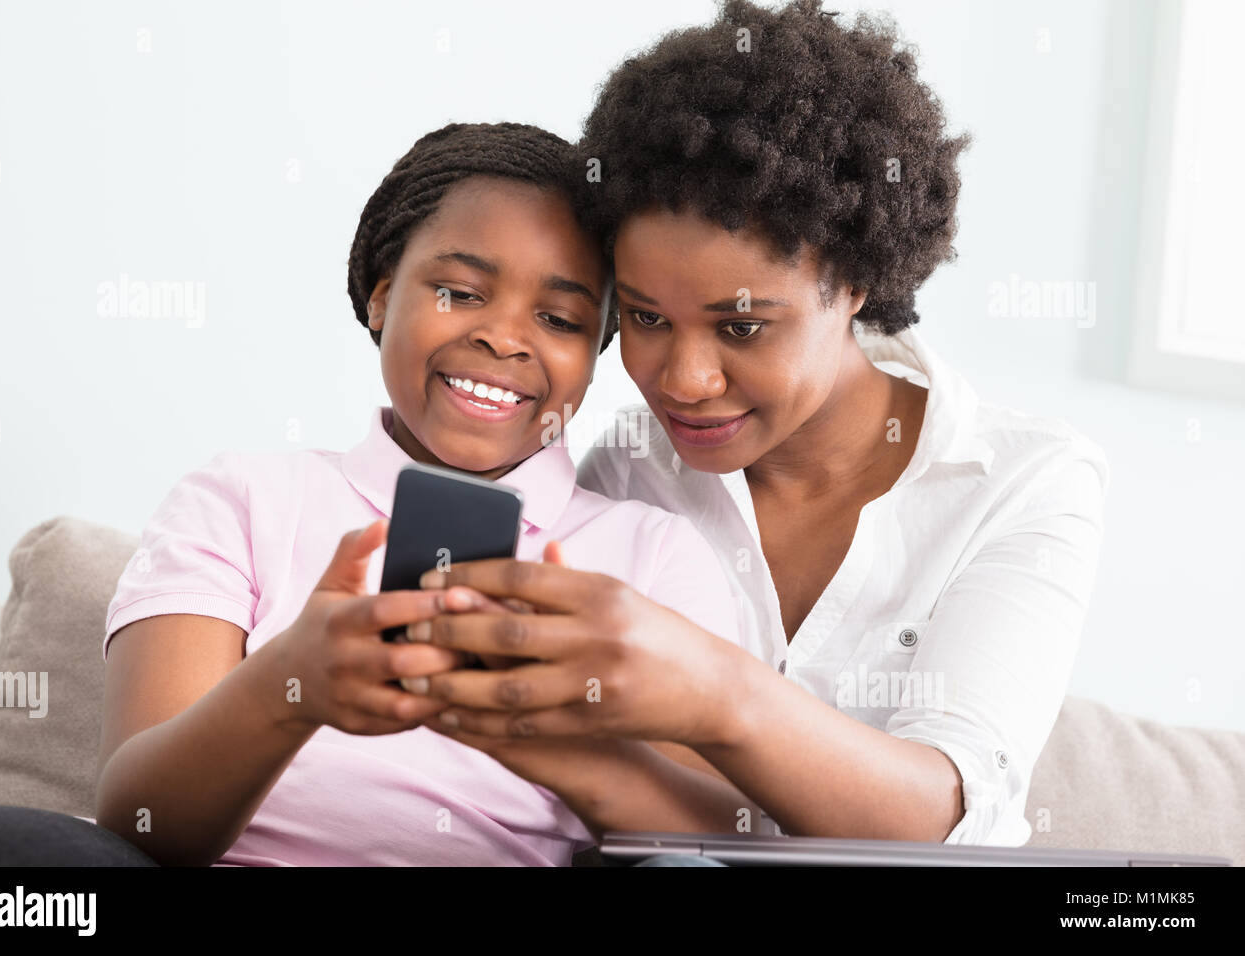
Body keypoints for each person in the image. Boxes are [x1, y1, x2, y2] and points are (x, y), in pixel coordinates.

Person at [0, 122, 765, 867]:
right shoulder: (241, 498)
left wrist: (542, 739)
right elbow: (141, 820)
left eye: (560, 319)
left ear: (595, 353)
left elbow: (715, 839)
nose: (503, 336)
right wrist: (287, 687)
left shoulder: (652, 554)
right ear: (381, 295)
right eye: (461, 292)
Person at [402, 0, 1110, 848]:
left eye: (741, 327)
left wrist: (711, 689)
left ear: (853, 285)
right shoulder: (630, 470)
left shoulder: (1021, 481)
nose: (685, 382)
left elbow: (946, 818)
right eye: (646, 319)